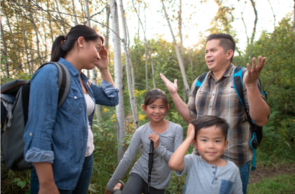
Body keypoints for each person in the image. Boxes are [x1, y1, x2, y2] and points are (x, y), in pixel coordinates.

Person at [160, 33, 270, 194]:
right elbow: (192, 118)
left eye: (213, 50)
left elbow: (261, 119)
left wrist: (252, 86)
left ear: (228, 53)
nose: (208, 55)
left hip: (235, 161)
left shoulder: (244, 77)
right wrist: (174, 94)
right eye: (206, 51)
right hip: (201, 161)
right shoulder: (200, 81)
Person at [23, 25, 119, 194]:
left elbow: (112, 99)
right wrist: (46, 184)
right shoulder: (50, 73)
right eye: (97, 48)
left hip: (84, 163)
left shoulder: (84, 81)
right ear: (81, 42)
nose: (98, 55)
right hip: (57, 171)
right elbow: (38, 132)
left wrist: (104, 68)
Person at [106, 88, 183, 194]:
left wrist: (159, 147)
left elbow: (177, 162)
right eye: (152, 107)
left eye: (161, 107)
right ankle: (116, 188)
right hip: (140, 173)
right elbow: (127, 158)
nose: (157, 111)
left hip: (160, 183)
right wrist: (110, 185)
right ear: (144, 108)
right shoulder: (141, 131)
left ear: (167, 108)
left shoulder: (176, 129)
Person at [169, 115, 242, 193]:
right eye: (204, 140)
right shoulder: (192, 161)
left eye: (217, 141)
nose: (211, 146)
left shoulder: (232, 169)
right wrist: (189, 138)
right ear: (195, 144)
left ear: (225, 145)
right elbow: (173, 164)